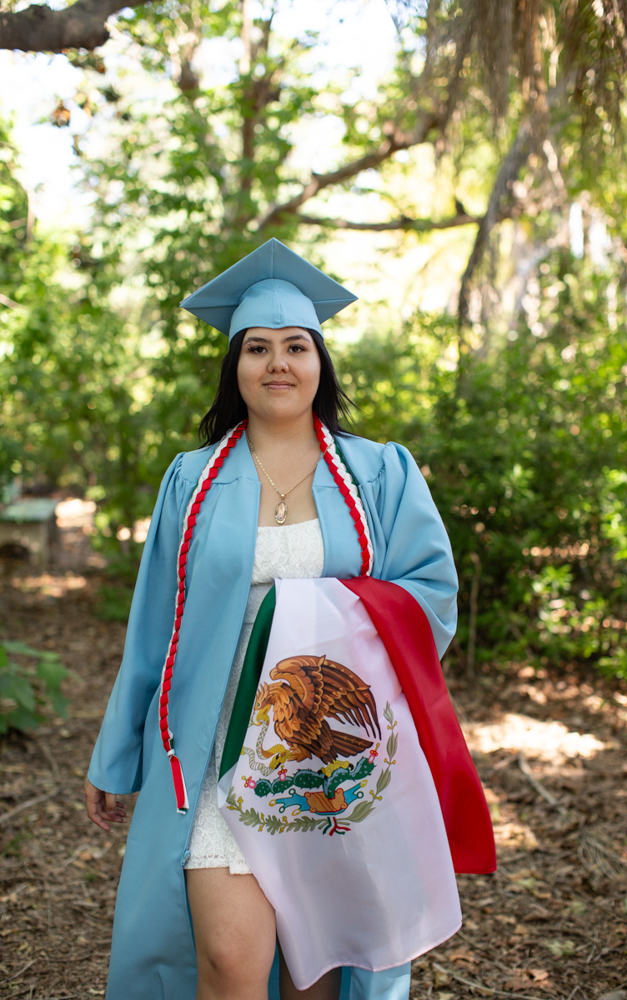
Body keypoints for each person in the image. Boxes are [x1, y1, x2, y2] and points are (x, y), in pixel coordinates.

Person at [84, 239, 494, 1000]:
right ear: (235, 368)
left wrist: (311, 612)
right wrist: (115, 756)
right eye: (258, 348)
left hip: (330, 761)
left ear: (320, 364)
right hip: (215, 750)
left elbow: (430, 596)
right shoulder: (193, 480)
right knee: (232, 962)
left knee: (318, 973)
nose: (278, 363)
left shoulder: (379, 472)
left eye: (296, 347)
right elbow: (154, 625)